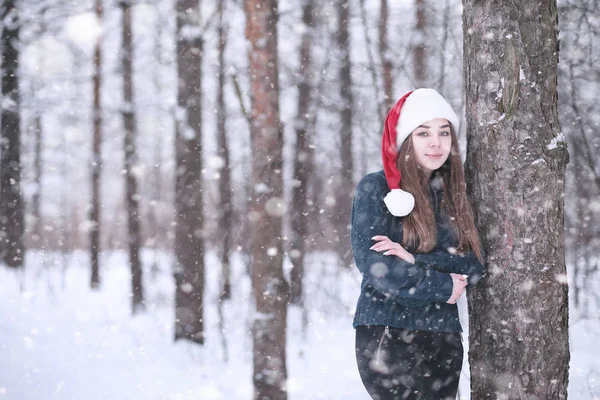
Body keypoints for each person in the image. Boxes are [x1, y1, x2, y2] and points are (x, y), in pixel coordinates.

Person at [351, 88, 486, 400]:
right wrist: (442, 285)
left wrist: (413, 261)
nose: (435, 142)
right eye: (423, 133)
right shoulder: (377, 188)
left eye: (443, 132)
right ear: (406, 139)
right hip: (387, 331)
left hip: (444, 336)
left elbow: (473, 266)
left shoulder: (455, 194)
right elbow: (377, 266)